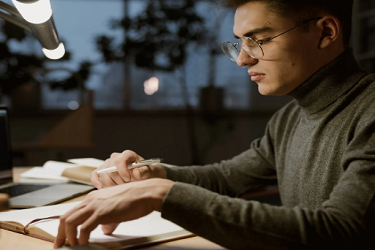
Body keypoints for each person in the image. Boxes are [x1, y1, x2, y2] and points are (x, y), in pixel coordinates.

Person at [54, 0, 375, 249]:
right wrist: (150, 176)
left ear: (325, 32)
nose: (243, 59)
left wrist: (160, 194)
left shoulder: (369, 110)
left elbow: (340, 232)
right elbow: (226, 178)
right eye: (240, 43)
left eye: (259, 40)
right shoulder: (289, 119)